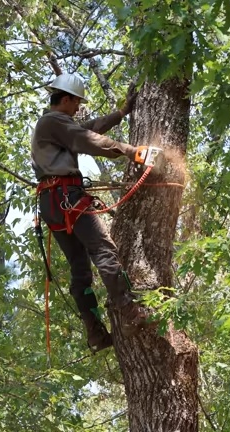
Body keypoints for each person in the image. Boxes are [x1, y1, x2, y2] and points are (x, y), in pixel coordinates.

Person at [31, 73, 148, 353]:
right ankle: (130, 310)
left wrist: (121, 113)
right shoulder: (53, 121)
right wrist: (132, 152)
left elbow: (90, 128)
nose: (78, 108)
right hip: (66, 197)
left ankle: (95, 333)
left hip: (52, 202)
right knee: (103, 248)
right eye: (76, 103)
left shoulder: (54, 125)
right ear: (66, 99)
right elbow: (88, 139)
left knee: (80, 268)